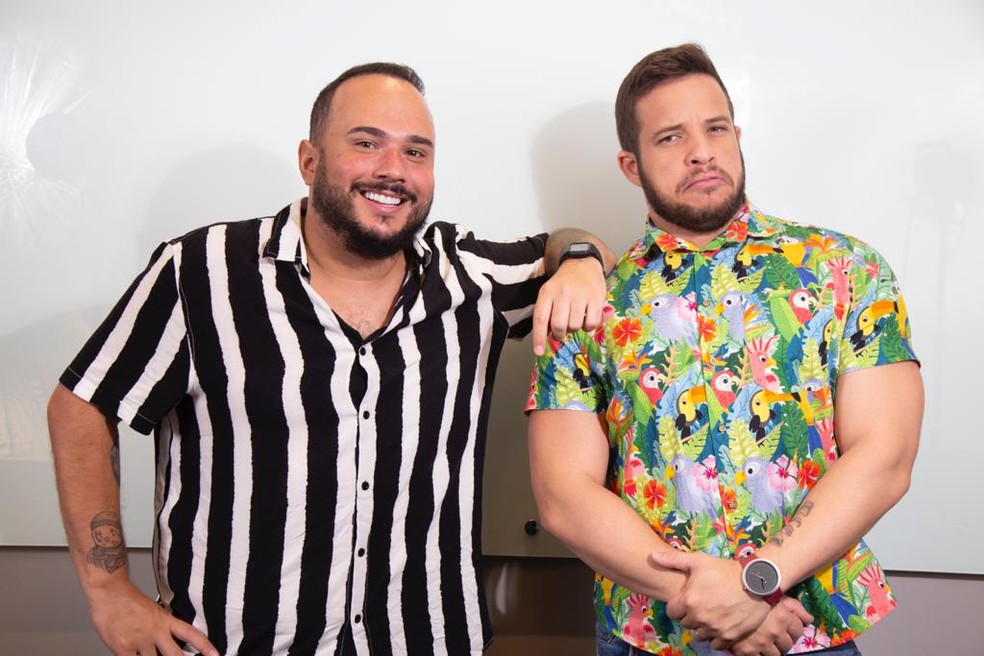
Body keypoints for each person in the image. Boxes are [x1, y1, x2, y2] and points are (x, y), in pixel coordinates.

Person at [47, 62, 616, 656]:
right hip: (235, 643)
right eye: (367, 143)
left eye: (416, 152)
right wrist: (107, 589)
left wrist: (578, 257)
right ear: (310, 160)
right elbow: (81, 404)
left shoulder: (470, 273)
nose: (393, 171)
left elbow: (576, 241)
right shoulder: (203, 271)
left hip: (427, 640)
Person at [527, 43, 922, 656]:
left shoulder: (845, 270)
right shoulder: (584, 304)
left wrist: (755, 581)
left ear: (736, 135)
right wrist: (709, 600)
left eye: (715, 128)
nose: (701, 151)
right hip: (647, 636)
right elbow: (563, 495)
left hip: (808, 627)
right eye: (670, 137)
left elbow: (885, 455)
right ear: (631, 166)